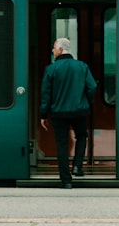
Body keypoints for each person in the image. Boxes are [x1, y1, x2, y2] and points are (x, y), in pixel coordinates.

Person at [39, 38, 97, 189]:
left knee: (61, 144)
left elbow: (46, 94)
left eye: (54, 48)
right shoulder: (82, 66)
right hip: (79, 111)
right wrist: (86, 102)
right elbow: (92, 87)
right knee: (82, 136)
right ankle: (77, 166)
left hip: (58, 113)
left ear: (60, 50)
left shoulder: (51, 69)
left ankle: (66, 181)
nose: (52, 51)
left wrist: (43, 114)